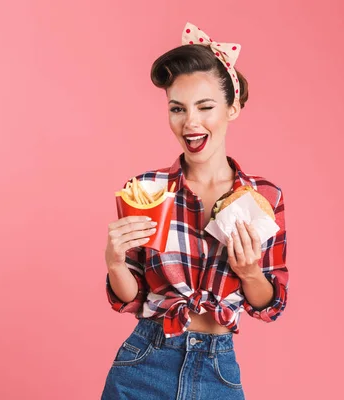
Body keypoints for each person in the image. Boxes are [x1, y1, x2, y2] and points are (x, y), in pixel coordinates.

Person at [101, 22, 289, 400]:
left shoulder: (262, 197)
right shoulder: (147, 189)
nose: (191, 122)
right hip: (144, 361)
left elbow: (270, 305)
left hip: (217, 369)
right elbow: (132, 299)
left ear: (233, 108)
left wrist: (250, 271)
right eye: (177, 108)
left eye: (205, 107)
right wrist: (116, 264)